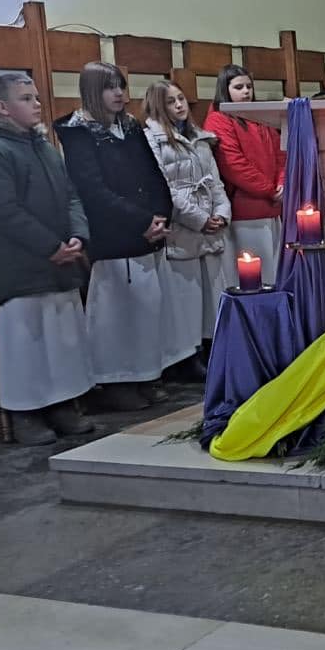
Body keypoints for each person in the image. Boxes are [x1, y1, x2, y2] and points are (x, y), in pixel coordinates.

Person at [55, 62, 192, 410]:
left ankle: (146, 373)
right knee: (116, 314)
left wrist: (161, 215)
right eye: (109, 87)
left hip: (148, 232)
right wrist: (141, 220)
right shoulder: (78, 132)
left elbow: (153, 173)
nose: (118, 94)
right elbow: (92, 190)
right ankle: (116, 379)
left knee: (147, 310)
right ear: (92, 91)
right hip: (113, 234)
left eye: (121, 86)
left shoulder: (129, 126)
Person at [0, 74, 96, 445]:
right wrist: (50, 246)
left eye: (36, 97)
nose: (37, 103)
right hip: (22, 266)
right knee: (27, 343)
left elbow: (72, 195)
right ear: (3, 107)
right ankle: (25, 413)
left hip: (62, 260)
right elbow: (4, 211)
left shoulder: (43, 146)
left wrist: (77, 236)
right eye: (26, 98)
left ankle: (62, 405)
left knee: (61, 341)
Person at [143, 79, 230, 370]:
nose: (179, 105)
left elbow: (215, 182)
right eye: (171, 101)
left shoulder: (201, 138)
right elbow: (165, 188)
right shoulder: (152, 140)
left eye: (181, 98)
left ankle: (212, 347)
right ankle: (187, 356)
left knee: (212, 294)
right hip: (183, 228)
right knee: (186, 298)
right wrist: (199, 219)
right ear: (158, 106)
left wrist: (222, 213)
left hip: (209, 223)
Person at [203, 64, 286, 285]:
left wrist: (282, 182)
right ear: (225, 89)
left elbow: (281, 153)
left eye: (249, 86)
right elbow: (233, 164)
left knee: (275, 273)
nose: (246, 91)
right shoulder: (218, 119)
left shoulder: (260, 116)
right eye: (239, 87)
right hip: (246, 210)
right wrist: (270, 190)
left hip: (273, 206)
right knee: (255, 277)